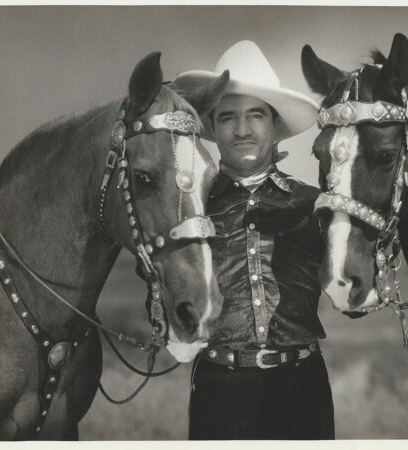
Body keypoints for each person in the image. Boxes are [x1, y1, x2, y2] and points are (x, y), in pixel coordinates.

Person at [174, 40, 334, 440]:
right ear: (212, 127)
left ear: (275, 124)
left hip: (302, 387)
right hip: (220, 388)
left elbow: (355, 301)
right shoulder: (190, 209)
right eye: (228, 117)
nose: (242, 130)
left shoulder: (313, 205)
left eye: (255, 115)